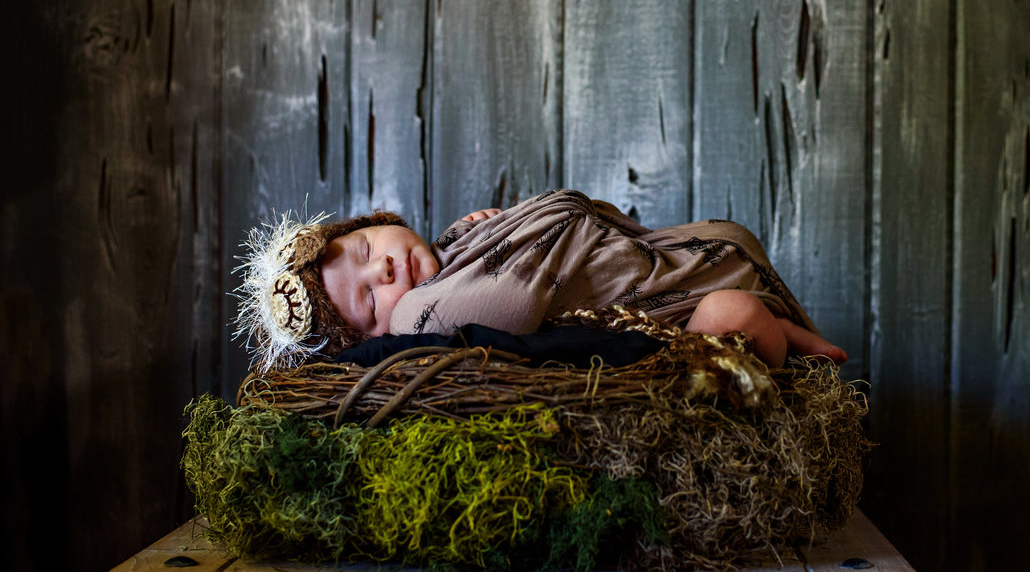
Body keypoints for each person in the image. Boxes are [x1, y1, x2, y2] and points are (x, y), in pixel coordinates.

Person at [234, 189, 846, 370]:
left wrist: (479, 232)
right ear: (376, 341)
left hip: (676, 253)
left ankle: (786, 331)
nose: (384, 268)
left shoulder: (452, 249)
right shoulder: (416, 320)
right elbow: (510, 301)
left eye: (367, 247)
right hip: (677, 305)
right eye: (369, 299)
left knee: (737, 303)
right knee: (732, 318)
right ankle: (787, 352)